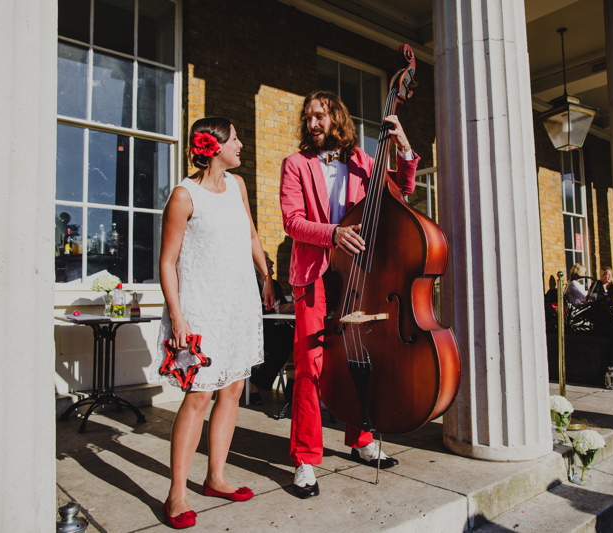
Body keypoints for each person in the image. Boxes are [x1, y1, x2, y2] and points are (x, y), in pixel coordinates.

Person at [279, 89, 418, 499]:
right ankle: (306, 458)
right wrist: (334, 234)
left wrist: (403, 146)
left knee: (361, 356)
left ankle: (361, 440)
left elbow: (403, 189)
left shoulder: (363, 163)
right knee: (310, 365)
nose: (312, 123)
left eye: (319, 115)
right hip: (314, 277)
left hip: (359, 277)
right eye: (308, 117)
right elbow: (292, 221)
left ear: (336, 117)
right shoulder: (296, 164)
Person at [152, 117, 275, 529]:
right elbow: (167, 262)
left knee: (233, 389)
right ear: (214, 146)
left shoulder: (238, 186)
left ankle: (215, 477)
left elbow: (251, 235)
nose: (241, 144)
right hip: (201, 309)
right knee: (199, 396)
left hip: (238, 305)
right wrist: (177, 316)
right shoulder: (184, 196)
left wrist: (266, 276)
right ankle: (176, 493)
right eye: (235, 138)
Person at [248, 252, 295, 405]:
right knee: (283, 347)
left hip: (278, 328)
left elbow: (281, 306)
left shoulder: (274, 284)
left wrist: (288, 308)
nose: (272, 263)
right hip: (258, 331)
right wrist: (278, 310)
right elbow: (251, 311)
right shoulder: (249, 285)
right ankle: (255, 383)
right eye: (267, 260)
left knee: (299, 341)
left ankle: (292, 384)